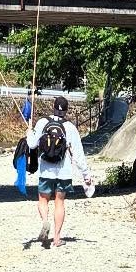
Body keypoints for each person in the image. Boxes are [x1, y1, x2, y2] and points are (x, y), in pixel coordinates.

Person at [26, 96, 91, 250]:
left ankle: (44, 222)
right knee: (59, 203)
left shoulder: (42, 122)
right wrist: (86, 175)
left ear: (53, 107)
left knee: (43, 200)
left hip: (46, 171)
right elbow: (78, 154)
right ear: (66, 110)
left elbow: (32, 144)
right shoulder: (70, 127)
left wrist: (29, 131)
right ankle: (56, 238)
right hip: (64, 172)